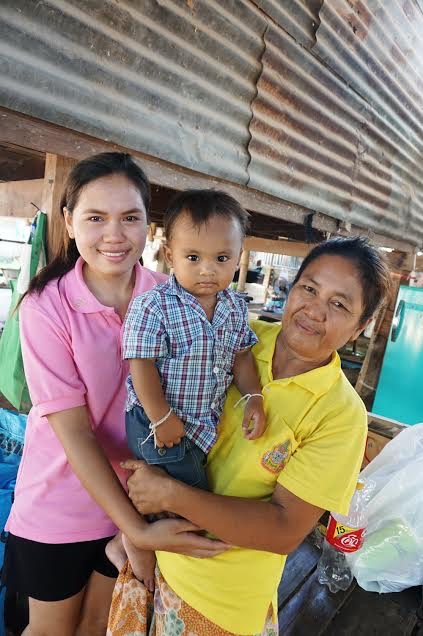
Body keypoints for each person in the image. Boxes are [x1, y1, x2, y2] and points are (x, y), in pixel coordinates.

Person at [108, 236, 392, 636]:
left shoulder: (340, 414)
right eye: (309, 288)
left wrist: (170, 496)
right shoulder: (238, 335)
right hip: (151, 560)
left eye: (339, 304)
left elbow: (283, 531)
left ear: (361, 327)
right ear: (293, 288)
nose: (314, 310)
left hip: (218, 600)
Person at [2, 153, 227, 636]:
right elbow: (76, 434)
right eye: (96, 218)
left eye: (130, 217)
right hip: (61, 506)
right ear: (68, 220)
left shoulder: (173, 295)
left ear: (151, 225)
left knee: (102, 628)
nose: (114, 235)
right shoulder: (47, 308)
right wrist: (138, 528)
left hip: (141, 498)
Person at [108, 190, 266, 587]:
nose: (208, 270)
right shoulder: (155, 305)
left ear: (239, 255)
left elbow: (242, 357)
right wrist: (162, 418)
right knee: (193, 499)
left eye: (222, 259)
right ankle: (142, 558)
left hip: (197, 427)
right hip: (153, 420)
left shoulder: (233, 307)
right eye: (193, 258)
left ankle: (128, 542)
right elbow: (140, 365)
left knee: (176, 494)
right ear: (169, 253)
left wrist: (254, 398)